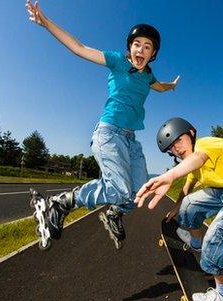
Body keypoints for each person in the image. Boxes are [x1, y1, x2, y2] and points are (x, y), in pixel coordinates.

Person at [25, 1, 180, 249]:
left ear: (153, 54)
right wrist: (46, 23)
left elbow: (158, 86)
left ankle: (114, 213)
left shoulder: (148, 76)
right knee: (119, 189)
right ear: (130, 48)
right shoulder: (118, 62)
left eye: (147, 47)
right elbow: (79, 48)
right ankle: (63, 202)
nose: (141, 49)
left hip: (130, 139)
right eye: (137, 44)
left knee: (139, 190)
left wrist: (171, 86)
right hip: (109, 133)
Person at [135, 117, 223, 301]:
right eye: (171, 148)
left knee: (215, 240)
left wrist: (170, 175)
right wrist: (176, 208)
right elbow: (187, 189)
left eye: (179, 141)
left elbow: (199, 157)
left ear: (191, 134)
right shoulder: (192, 165)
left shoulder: (206, 144)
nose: (177, 149)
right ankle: (195, 243)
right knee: (188, 205)